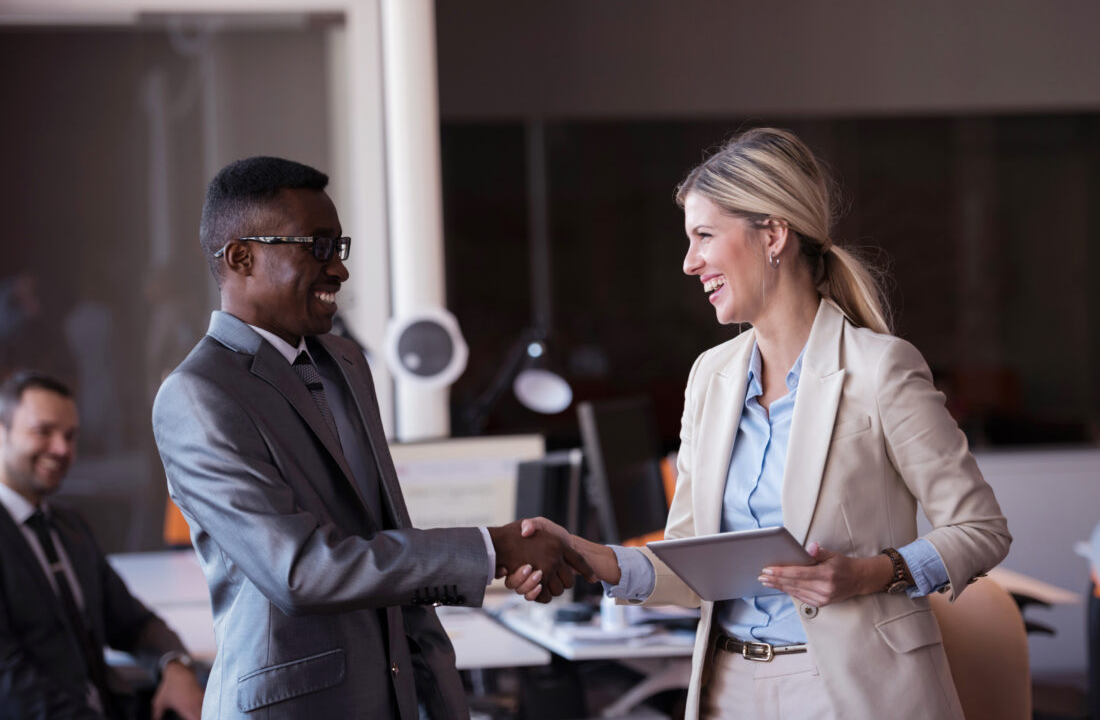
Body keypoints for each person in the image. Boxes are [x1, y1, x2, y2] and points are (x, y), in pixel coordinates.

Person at [511, 128, 1012, 719]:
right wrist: (591, 556)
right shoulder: (711, 376)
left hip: (846, 691)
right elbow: (692, 564)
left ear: (773, 235)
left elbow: (981, 528)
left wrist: (873, 573)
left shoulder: (880, 368)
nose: (689, 262)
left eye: (704, 236)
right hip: (728, 687)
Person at [152, 156, 591, 719]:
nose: (339, 270)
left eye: (340, 247)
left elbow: (386, 534)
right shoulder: (198, 394)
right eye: (317, 247)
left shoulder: (343, 360)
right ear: (242, 256)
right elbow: (301, 572)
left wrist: (437, 690)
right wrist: (491, 548)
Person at [0, 371, 204, 720]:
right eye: (43, 431)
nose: (61, 448)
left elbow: (134, 622)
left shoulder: (69, 528)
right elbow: (10, 684)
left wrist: (175, 665)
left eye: (70, 436)